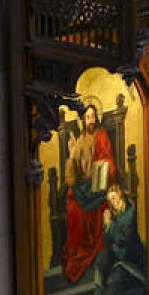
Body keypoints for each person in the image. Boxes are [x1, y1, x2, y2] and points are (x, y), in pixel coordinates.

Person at [63, 102, 117, 283]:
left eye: (93, 116)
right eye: (87, 117)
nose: (90, 120)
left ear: (97, 118)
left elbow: (108, 160)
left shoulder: (101, 136)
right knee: (72, 207)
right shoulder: (78, 141)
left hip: (100, 183)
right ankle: (80, 250)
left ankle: (98, 251)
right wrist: (72, 155)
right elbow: (72, 178)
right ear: (82, 120)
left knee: (100, 205)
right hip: (84, 185)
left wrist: (102, 167)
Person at [96, 184, 147, 295]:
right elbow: (108, 241)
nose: (113, 203)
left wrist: (109, 224)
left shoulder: (130, 213)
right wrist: (106, 225)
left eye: (114, 198)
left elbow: (122, 239)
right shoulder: (115, 215)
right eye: (110, 200)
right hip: (118, 257)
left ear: (120, 196)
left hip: (130, 260)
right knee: (100, 259)